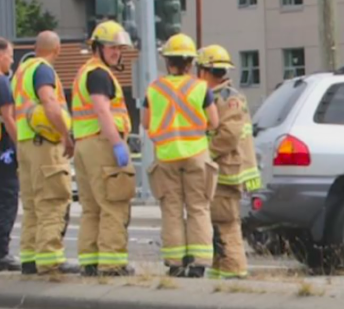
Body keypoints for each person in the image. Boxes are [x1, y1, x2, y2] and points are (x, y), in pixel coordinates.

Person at [143, 33, 220, 278]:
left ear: (168, 62)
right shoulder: (200, 87)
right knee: (198, 207)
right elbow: (214, 121)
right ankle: (198, 263)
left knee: (172, 208)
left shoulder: (154, 89)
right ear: (190, 63)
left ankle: (175, 263)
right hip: (196, 153)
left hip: (166, 155)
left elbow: (145, 122)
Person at [71, 21, 136, 277]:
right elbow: (102, 110)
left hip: (85, 144)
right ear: (97, 47)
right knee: (113, 204)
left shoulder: (84, 72)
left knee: (92, 208)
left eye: (119, 48)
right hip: (103, 143)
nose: (116, 53)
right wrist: (117, 144)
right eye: (111, 48)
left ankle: (90, 262)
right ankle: (111, 264)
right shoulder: (99, 74)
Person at [12, 31, 78, 276]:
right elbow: (49, 101)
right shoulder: (43, 70)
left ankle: (29, 258)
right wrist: (65, 135)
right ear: (57, 50)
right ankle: (51, 260)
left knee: (31, 205)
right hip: (44, 144)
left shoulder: (20, 72)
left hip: (25, 143)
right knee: (52, 201)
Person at [196, 44, 259, 280]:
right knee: (216, 223)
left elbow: (229, 135)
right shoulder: (221, 96)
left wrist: (205, 153)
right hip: (221, 169)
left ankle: (233, 271)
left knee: (226, 223)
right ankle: (221, 271)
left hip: (226, 171)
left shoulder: (228, 98)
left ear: (204, 71)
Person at [0, 37, 19, 271]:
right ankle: (1, 253)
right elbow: (8, 118)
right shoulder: (2, 82)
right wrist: (20, 146)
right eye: (9, 55)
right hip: (3, 154)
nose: (11, 59)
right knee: (7, 199)